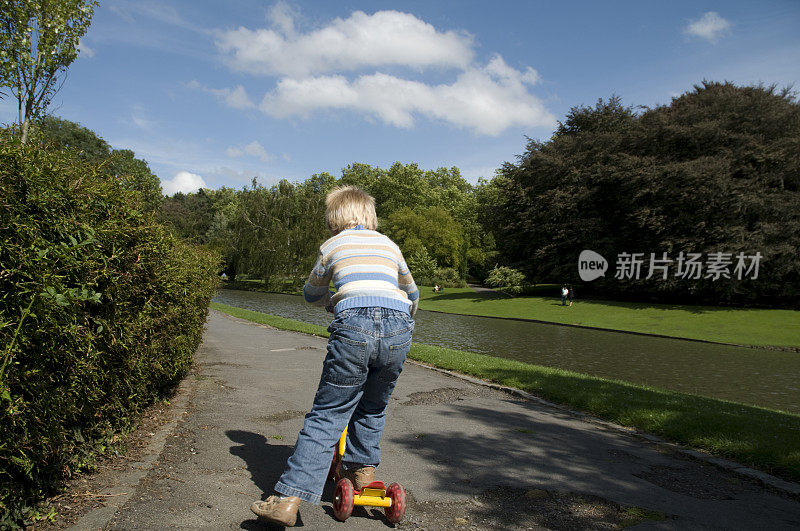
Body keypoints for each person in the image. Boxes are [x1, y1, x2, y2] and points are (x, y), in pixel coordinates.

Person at [250, 186, 418, 527]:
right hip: (400, 326)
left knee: (327, 414)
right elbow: (412, 293)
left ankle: (287, 501)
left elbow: (311, 292)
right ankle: (361, 478)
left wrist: (331, 300)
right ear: (370, 216)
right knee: (373, 406)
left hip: (353, 324)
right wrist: (399, 319)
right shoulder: (389, 245)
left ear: (334, 220)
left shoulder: (333, 246)